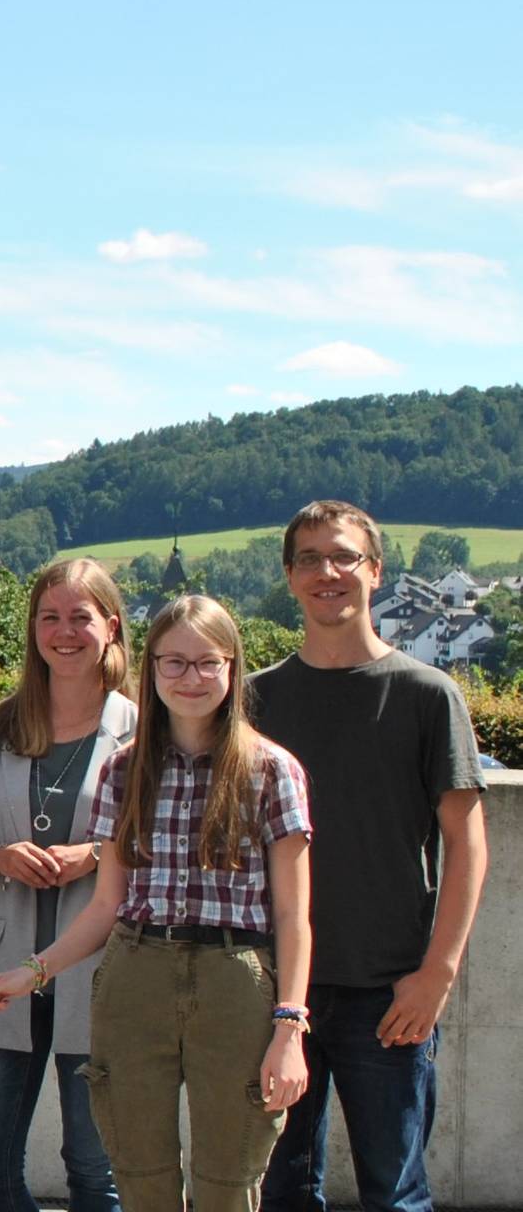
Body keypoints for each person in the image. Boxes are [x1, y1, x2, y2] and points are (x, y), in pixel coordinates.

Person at [0, 594, 314, 1212]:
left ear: (232, 668)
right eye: (174, 663)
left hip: (235, 980)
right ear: (152, 670)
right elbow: (107, 904)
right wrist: (34, 971)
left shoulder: (273, 771)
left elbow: (295, 917)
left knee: (229, 1179)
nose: (190, 678)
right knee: (141, 1177)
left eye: (206, 663)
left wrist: (290, 1027)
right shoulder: (123, 771)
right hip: (136, 975)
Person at [250, 501, 488, 1212]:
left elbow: (468, 844)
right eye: (310, 559)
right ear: (290, 577)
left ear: (375, 572)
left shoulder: (426, 694)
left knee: (396, 1196)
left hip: (390, 994)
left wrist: (436, 977)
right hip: (271, 990)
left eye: (344, 556)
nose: (328, 572)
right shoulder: (257, 699)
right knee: (282, 1192)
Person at [0, 558, 133, 1212]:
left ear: (111, 627)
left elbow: (166, 851)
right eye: (49, 617)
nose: (64, 632)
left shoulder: (143, 732)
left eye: (80, 617)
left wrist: (95, 856)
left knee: (95, 1172)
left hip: (104, 972)